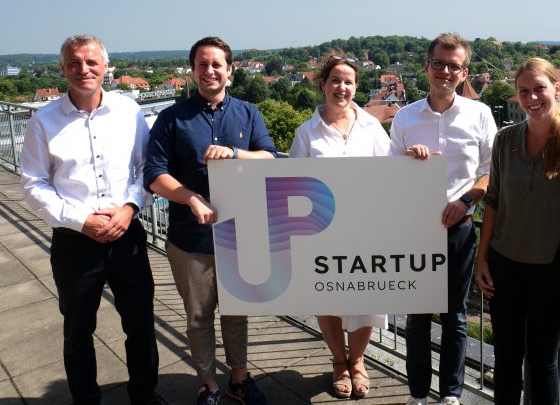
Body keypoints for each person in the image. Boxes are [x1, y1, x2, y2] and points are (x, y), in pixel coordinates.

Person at [20, 34, 161, 405]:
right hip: (74, 242)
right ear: (63, 68)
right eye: (74, 63)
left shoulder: (129, 112)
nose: (84, 69)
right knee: (78, 330)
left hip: (127, 234)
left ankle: (144, 397)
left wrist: (130, 208)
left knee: (141, 326)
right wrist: (82, 220)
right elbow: (33, 185)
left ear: (105, 66)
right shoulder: (43, 121)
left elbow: (146, 169)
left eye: (92, 62)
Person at [144, 36, 277, 405]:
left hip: (240, 233)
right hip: (190, 237)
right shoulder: (172, 118)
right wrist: (191, 199)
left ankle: (238, 378)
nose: (209, 71)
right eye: (202, 64)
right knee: (199, 317)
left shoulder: (248, 113)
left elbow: (270, 159)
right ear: (193, 70)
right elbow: (154, 174)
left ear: (230, 70)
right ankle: (208, 384)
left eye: (217, 64)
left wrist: (236, 153)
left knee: (237, 313)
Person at [475, 57, 560, 404]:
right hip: (505, 264)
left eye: (539, 89)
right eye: (524, 91)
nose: (532, 98)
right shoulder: (505, 139)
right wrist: (482, 259)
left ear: (556, 90)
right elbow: (494, 202)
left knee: (542, 360)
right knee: (506, 359)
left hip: (554, 266)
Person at [389, 32, 496, 405]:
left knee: (454, 318)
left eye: (454, 66)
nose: (446, 71)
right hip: (416, 231)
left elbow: (491, 172)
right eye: (440, 63)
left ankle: (450, 395)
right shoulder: (404, 117)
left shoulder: (480, 114)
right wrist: (407, 162)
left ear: (464, 72)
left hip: (460, 229)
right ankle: (418, 394)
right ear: (427, 67)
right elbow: (391, 177)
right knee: (416, 318)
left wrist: (467, 199)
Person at [289, 52, 390, 399]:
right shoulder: (306, 133)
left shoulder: (372, 127)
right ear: (323, 84)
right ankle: (338, 361)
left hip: (366, 229)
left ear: (356, 86)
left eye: (348, 81)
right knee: (328, 298)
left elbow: (391, 175)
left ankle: (358, 361)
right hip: (322, 231)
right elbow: (293, 185)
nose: (342, 87)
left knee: (366, 299)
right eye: (335, 80)